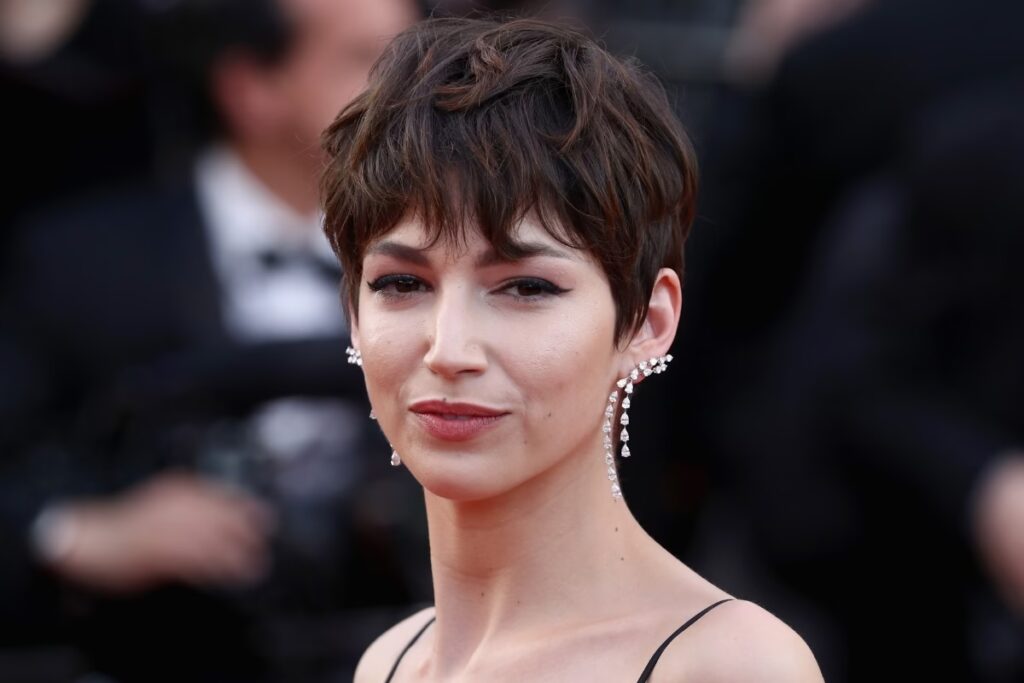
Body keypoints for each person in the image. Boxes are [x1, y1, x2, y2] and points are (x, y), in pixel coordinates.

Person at [320, 17, 823, 682]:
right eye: (402, 283)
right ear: (353, 314)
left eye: (526, 287)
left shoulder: (728, 665)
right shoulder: (388, 661)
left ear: (647, 322)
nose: (449, 348)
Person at [0, 0, 417, 680]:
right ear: (251, 87)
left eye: (413, 56)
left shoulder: (463, 252)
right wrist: (78, 532)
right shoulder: (80, 264)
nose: (409, 90)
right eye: (365, 59)